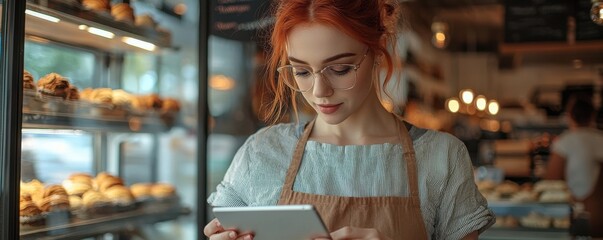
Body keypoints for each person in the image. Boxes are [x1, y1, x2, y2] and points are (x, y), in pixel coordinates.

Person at [204, 0, 494, 239]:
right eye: (302, 72)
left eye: (340, 69)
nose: (319, 92)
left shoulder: (441, 158)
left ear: (378, 50)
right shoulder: (262, 153)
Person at [546, 97, 603, 237]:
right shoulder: (601, 139)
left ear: (569, 116)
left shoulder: (565, 142)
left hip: (573, 217)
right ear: (592, 116)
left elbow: (550, 181)